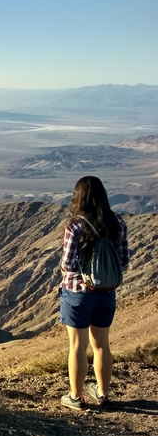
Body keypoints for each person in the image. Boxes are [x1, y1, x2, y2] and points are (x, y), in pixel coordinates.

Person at [59, 176, 131, 410]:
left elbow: (68, 265)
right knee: (102, 345)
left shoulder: (75, 226)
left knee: (78, 347)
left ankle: (75, 397)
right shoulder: (117, 223)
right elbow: (123, 260)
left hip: (78, 293)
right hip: (106, 293)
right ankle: (102, 394)